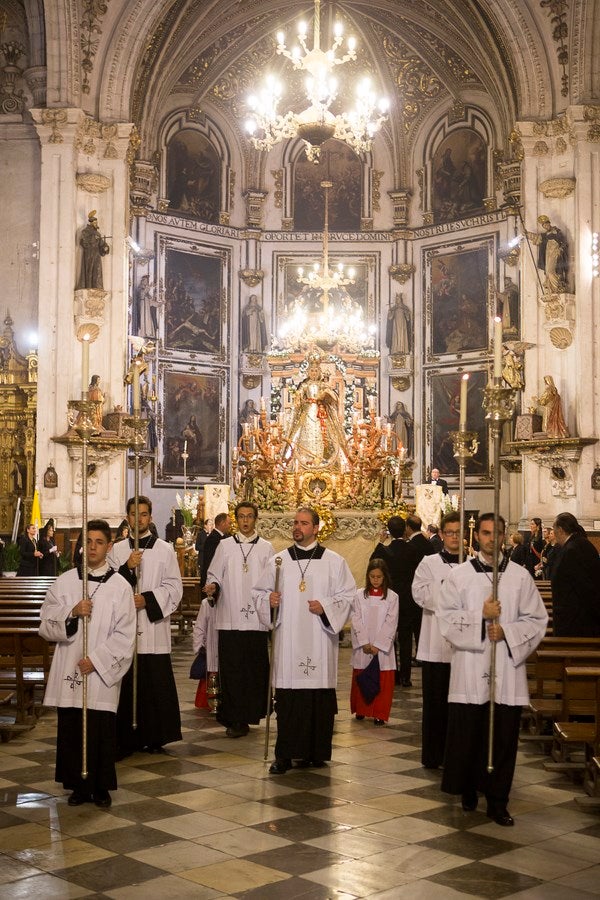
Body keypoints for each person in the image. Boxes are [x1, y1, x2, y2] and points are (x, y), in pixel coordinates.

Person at [438, 513, 548, 826]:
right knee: (469, 735)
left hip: (506, 670)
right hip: (471, 669)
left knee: (503, 739)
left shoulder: (519, 576)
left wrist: (508, 632)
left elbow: (537, 619)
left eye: (496, 533)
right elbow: (445, 618)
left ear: (503, 536)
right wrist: (480, 616)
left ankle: (499, 800)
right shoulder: (460, 575)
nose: (490, 539)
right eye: (485, 533)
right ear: (477, 537)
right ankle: (470, 789)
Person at [39, 520, 136, 807]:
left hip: (99, 670)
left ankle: (101, 785)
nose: (92, 547)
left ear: (108, 546)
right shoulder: (65, 581)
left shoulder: (120, 586)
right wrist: (71, 612)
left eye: (99, 542)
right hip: (70, 665)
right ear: (81, 545)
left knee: (100, 727)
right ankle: (77, 787)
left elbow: (126, 633)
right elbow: (45, 623)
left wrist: (96, 660)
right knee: (71, 726)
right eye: (88, 541)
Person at [253, 507, 355, 774]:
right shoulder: (278, 561)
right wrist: (269, 601)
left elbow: (348, 596)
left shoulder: (334, 562)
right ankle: (284, 755)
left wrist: (326, 607)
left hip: (319, 640)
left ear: (316, 528)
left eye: (304, 523)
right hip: (289, 640)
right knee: (288, 699)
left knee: (317, 697)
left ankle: (315, 752)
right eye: (295, 522)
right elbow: (259, 594)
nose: (297, 527)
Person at [108, 495, 183, 757]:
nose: (138, 518)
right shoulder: (117, 551)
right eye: (132, 514)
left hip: (153, 628)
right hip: (123, 629)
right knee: (125, 683)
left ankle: (155, 736)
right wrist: (127, 568)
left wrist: (147, 600)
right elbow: (107, 587)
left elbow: (174, 587)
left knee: (153, 682)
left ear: (150, 517)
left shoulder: (165, 549)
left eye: (143, 514)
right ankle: (125, 737)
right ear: (126, 517)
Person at [204, 502, 274, 737]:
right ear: (236, 520)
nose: (245, 521)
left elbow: (272, 581)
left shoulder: (266, 548)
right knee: (232, 670)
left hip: (256, 620)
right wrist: (213, 586)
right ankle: (235, 719)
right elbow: (214, 573)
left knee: (253, 670)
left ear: (256, 519)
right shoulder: (224, 546)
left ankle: (252, 712)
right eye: (241, 517)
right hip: (230, 617)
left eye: (250, 516)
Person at [412, 512, 460, 769]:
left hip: (464, 650)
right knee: (435, 705)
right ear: (441, 535)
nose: (454, 537)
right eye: (449, 532)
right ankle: (433, 756)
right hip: (435, 646)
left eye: (458, 532)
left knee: (460, 706)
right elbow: (419, 594)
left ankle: (457, 754)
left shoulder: (472, 564)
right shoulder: (428, 563)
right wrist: (449, 591)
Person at [350, 558, 398, 726]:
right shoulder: (358, 595)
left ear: (385, 577)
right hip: (364, 647)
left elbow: (391, 622)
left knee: (382, 679)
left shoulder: (392, 597)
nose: (375, 580)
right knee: (361, 676)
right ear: (368, 576)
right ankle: (361, 710)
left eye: (379, 576)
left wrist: (378, 645)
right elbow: (355, 619)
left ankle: (379, 713)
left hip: (381, 649)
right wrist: (363, 641)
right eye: (372, 576)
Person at [371, 516, 418, 687]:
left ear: (389, 531)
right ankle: (406, 676)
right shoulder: (412, 549)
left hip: (390, 598)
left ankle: (393, 673)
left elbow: (373, 562)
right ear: (405, 529)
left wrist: (380, 542)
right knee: (406, 638)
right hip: (408, 597)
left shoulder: (384, 551)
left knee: (389, 636)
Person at [283, 355, 349, 471]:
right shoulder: (304, 385)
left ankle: (322, 459)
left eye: (315, 371)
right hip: (307, 413)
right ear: (309, 372)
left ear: (319, 372)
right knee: (303, 434)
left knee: (325, 435)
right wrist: (298, 398)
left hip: (321, 413)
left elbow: (335, 398)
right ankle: (305, 460)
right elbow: (298, 400)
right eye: (312, 371)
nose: (313, 373)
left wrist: (326, 393)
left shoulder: (322, 384)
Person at [551, 512, 600, 637]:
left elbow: (586, 589)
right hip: (576, 619)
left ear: (561, 530)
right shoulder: (578, 544)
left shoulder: (572, 550)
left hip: (576, 623)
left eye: (554, 529)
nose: (553, 533)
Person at [528, 215, 568, 294]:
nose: (546, 227)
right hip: (548, 254)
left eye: (546, 224)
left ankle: (557, 287)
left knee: (550, 271)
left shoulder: (557, 232)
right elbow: (536, 237)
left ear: (549, 223)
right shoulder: (544, 236)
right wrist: (527, 233)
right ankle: (552, 289)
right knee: (548, 271)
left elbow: (564, 242)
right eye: (544, 226)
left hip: (555, 253)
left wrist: (560, 249)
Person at [192, 596, 219, 709]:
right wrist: (198, 647)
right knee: (211, 675)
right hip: (212, 644)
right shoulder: (207, 603)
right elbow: (200, 626)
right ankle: (210, 702)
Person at [76, 211, 110, 290]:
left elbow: (101, 243)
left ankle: (97, 287)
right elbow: (83, 242)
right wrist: (93, 239)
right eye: (95, 223)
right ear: (91, 223)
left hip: (97, 255)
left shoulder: (97, 233)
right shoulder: (85, 231)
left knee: (97, 271)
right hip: (89, 254)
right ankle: (88, 286)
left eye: (96, 223)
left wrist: (105, 248)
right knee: (89, 270)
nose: (96, 224)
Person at [200, 511, 232, 588]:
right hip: (212, 581)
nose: (230, 526)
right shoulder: (213, 539)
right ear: (222, 523)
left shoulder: (221, 537)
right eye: (229, 523)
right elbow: (211, 561)